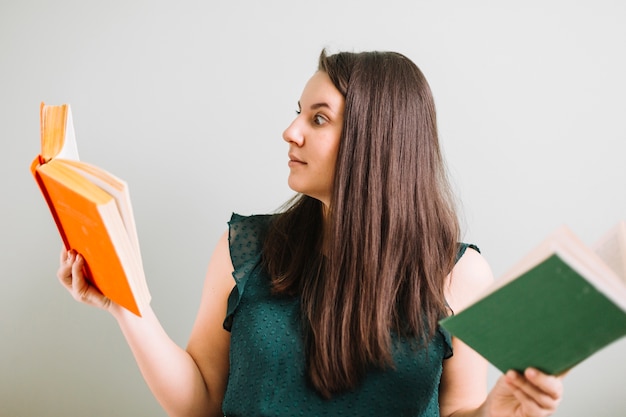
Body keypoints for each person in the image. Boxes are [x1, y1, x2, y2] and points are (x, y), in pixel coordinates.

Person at [57, 50, 564, 417]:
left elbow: (459, 411)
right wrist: (127, 304)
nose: (291, 131)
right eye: (298, 111)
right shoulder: (246, 250)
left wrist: (497, 413)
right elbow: (201, 402)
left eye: (318, 118)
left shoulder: (459, 274)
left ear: (377, 142)